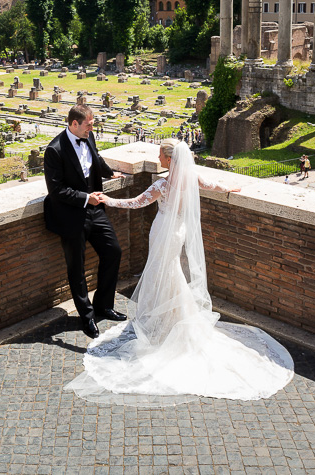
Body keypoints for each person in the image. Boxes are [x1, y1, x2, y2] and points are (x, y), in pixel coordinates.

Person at [66, 140, 294, 403]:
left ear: (169, 158)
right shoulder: (190, 177)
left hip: (164, 231)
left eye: (160, 154)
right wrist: (228, 188)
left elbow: (135, 203)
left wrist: (107, 200)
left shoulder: (163, 184)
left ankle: (166, 321)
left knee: (164, 273)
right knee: (170, 271)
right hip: (178, 231)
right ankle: (172, 317)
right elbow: (211, 185)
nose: (158, 157)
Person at [44, 104, 126, 338]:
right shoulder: (54, 150)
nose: (92, 129)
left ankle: (104, 305)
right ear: (74, 124)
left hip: (95, 209)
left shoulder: (87, 138)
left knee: (113, 252)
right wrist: (84, 198)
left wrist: (111, 174)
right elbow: (56, 190)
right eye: (88, 125)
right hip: (70, 215)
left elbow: (95, 160)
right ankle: (87, 317)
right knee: (76, 268)